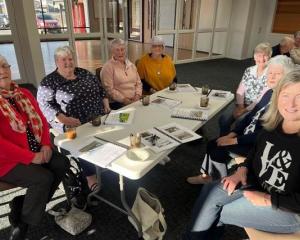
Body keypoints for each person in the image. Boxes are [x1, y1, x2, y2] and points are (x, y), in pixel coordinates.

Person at [183, 68, 300, 240]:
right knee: (210, 189)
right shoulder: (273, 125)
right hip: (257, 184)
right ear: (278, 97)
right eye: (286, 95)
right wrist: (241, 170)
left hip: (288, 209)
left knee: (217, 210)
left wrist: (268, 199)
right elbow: (255, 152)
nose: (291, 104)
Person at [187, 55, 294, 185]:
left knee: (217, 148)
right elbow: (249, 117)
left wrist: (233, 140)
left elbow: (264, 135)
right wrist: (232, 134)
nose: (271, 77)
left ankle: (216, 181)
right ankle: (208, 175)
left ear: (287, 77)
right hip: (246, 135)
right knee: (213, 143)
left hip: (256, 144)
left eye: (277, 74)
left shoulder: (284, 103)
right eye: (270, 72)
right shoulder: (269, 93)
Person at [0, 55, 69, 240]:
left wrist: (46, 144)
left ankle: (22, 205)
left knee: (61, 163)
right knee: (42, 178)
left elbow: (41, 120)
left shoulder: (24, 93)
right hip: (6, 160)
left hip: (35, 149)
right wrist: (32, 158)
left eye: (5, 66)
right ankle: (22, 225)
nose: (2, 70)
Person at [37, 46, 108, 192]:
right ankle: (90, 176)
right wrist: (63, 119)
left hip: (96, 116)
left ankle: (105, 159)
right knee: (80, 141)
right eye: (64, 60)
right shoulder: (49, 82)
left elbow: (100, 89)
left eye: (70, 59)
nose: (68, 62)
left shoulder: (83, 73)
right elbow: (44, 106)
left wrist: (106, 104)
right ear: (57, 62)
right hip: (70, 123)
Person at [219, 42, 272, 135]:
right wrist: (240, 106)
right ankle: (222, 140)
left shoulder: (271, 74)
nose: (262, 58)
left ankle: (234, 142)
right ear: (254, 56)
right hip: (242, 103)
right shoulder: (249, 70)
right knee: (224, 119)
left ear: (269, 58)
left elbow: (261, 98)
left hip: (256, 106)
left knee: (241, 121)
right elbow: (240, 90)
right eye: (259, 55)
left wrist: (244, 110)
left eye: (265, 56)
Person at [100, 38, 142, 109]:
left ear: (125, 50)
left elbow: (138, 83)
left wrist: (137, 96)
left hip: (135, 99)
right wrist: (125, 101)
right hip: (118, 103)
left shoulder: (131, 65)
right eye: (117, 50)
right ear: (112, 52)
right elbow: (110, 90)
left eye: (122, 49)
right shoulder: (107, 67)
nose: (120, 52)